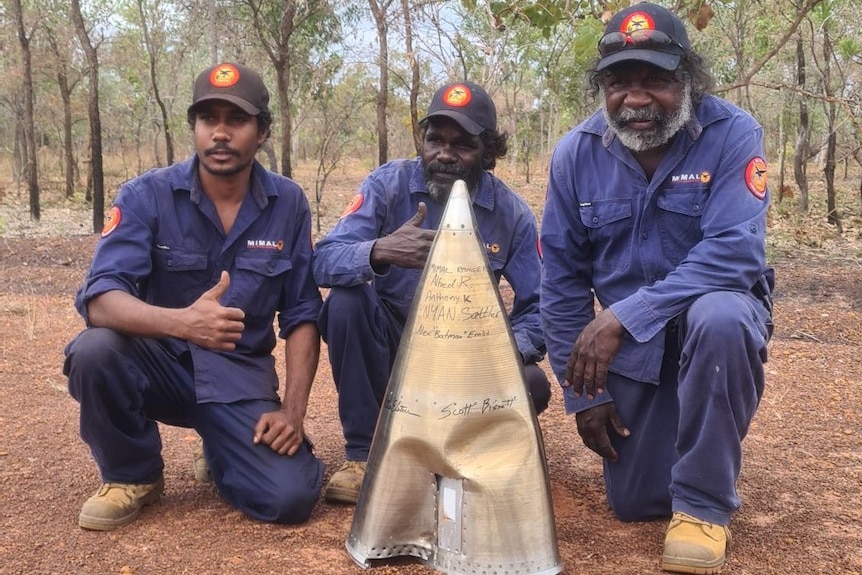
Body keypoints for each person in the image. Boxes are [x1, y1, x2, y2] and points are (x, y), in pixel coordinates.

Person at [540, 3, 774, 574]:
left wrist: (622, 316)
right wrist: (584, 396)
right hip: (633, 351)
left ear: (688, 80)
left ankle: (703, 506)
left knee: (719, 317)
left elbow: (735, 252)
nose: (637, 98)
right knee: (637, 503)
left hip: (714, 320)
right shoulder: (575, 154)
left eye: (657, 80)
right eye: (619, 82)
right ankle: (680, 457)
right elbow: (562, 280)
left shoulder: (733, 134)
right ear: (603, 88)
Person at [63, 62, 325, 530]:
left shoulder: (289, 203)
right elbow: (101, 298)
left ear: (262, 131)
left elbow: (303, 312)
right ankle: (132, 474)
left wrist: (293, 411)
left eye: (236, 120)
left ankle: (224, 454)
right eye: (208, 119)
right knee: (94, 350)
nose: (219, 133)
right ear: (195, 127)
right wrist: (182, 323)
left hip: (238, 380)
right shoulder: (147, 196)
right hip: (158, 367)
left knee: (290, 498)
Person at [313, 81, 551, 504]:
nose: (444, 154)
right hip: (388, 356)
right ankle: (363, 455)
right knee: (346, 302)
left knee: (531, 383)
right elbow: (325, 260)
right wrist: (381, 250)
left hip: (464, 363)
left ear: (488, 152)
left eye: (463, 144)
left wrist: (502, 352)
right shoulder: (387, 186)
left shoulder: (510, 214)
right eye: (435, 140)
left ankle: (453, 453)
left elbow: (541, 305)